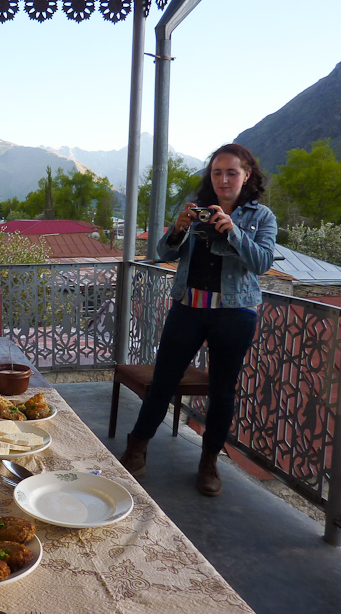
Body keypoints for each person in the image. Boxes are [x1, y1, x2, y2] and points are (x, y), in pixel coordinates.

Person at [119, 143, 277, 496]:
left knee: (222, 391)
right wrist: (177, 229)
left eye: (231, 172)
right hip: (188, 308)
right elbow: (163, 253)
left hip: (235, 314)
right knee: (162, 382)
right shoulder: (196, 209)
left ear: (247, 175)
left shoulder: (261, 218)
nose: (223, 179)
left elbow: (262, 263)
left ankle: (209, 462)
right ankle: (137, 448)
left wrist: (233, 230)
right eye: (217, 172)